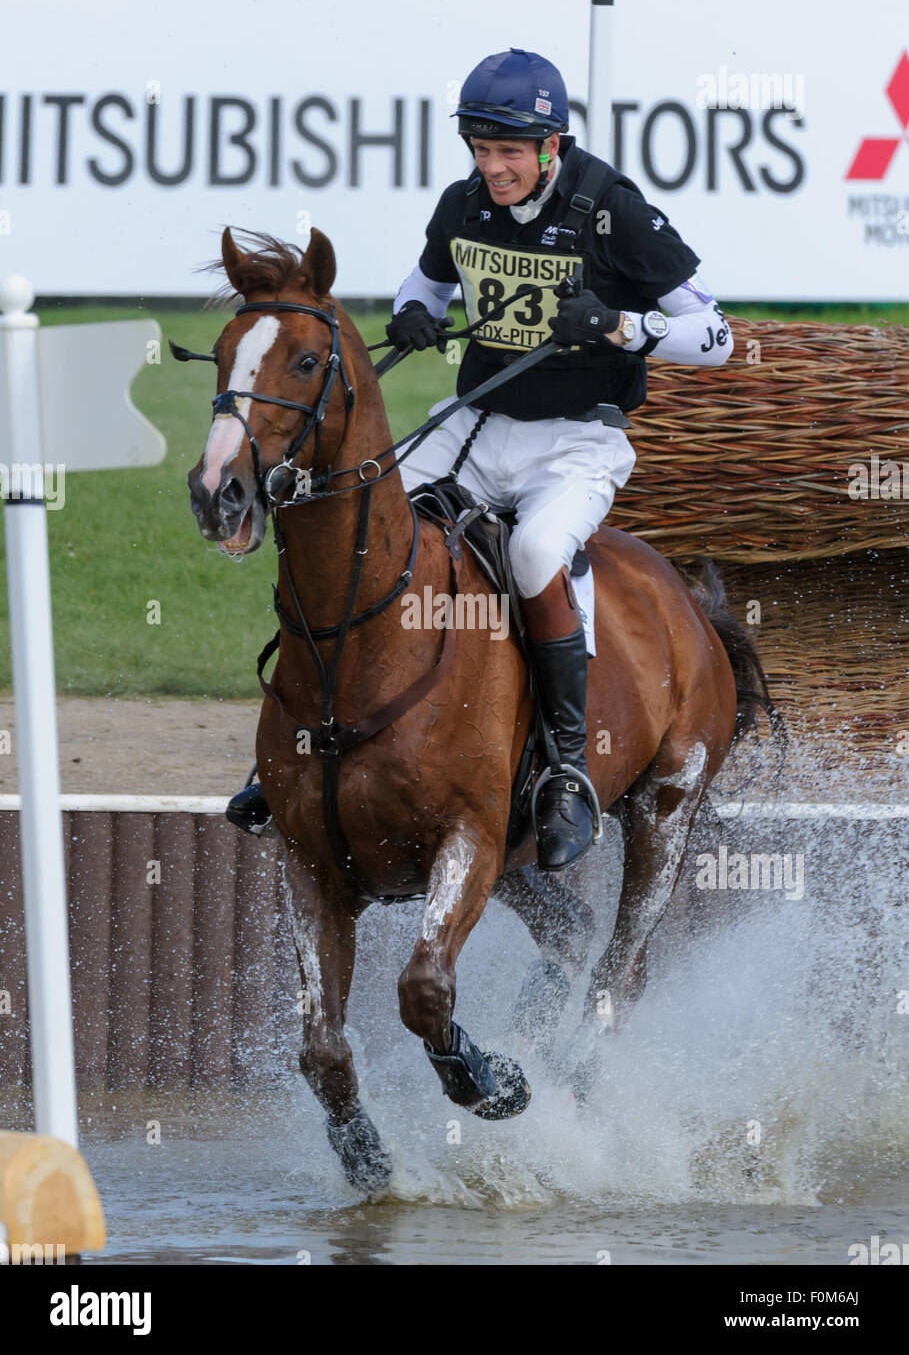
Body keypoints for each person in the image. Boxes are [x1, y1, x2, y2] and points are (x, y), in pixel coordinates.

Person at [229, 48, 733, 874]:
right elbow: (421, 287)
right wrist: (413, 315)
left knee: (535, 552)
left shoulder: (612, 209)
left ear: (551, 146)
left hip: (576, 439)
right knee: (357, 515)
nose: (493, 168)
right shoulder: (463, 204)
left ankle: (568, 770)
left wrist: (619, 326)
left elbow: (716, 336)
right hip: (478, 421)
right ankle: (288, 743)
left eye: (509, 151)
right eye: (480, 148)